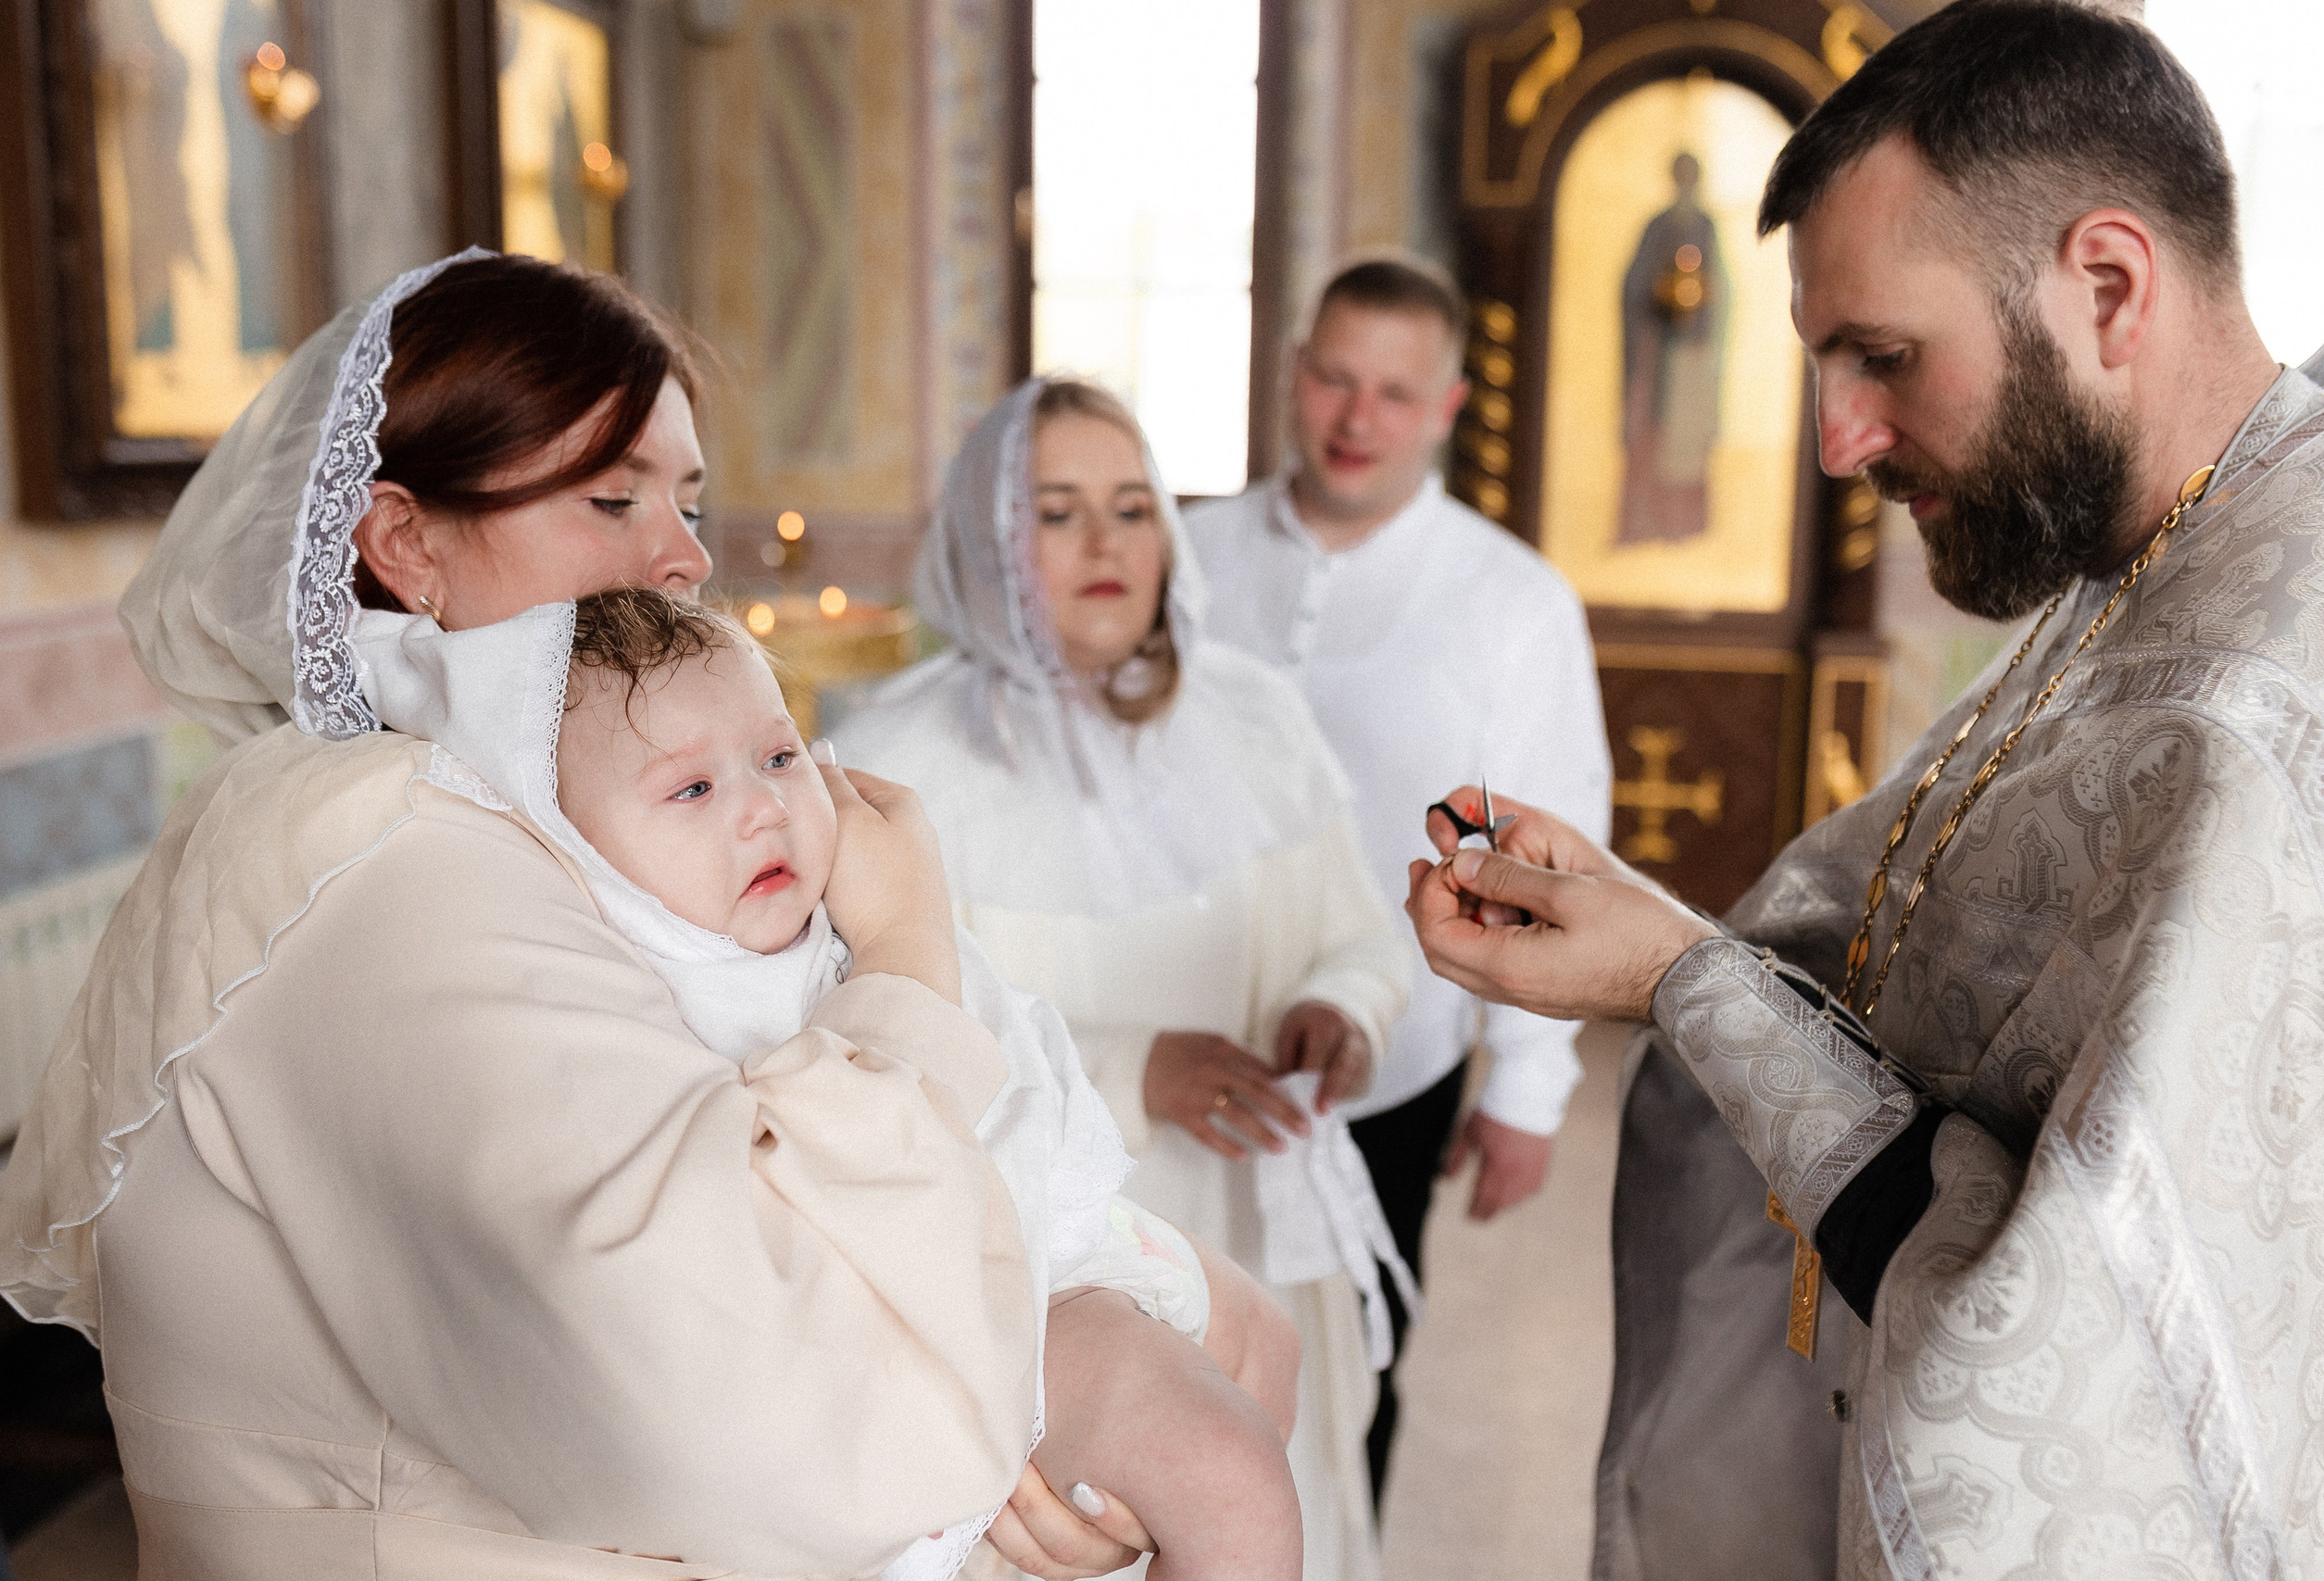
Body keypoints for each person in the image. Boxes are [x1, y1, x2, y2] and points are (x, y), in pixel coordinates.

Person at [0, 252, 1152, 1579]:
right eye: (614, 497)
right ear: (405, 541)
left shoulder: (522, 808)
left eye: (689, 497)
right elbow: (747, 1393)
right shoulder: (381, 856)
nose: (686, 554)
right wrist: (903, 960)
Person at [1407, 3, 2324, 1576]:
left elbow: (2085, 1344)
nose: (1841, 439)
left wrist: (1678, 977)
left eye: (1885, 357)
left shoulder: (2281, 679)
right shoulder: (2144, 568)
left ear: (2109, 286)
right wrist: (1649, 931)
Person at [358, 581, 1302, 1580]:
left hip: (1032, 1255)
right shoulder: (614, 985)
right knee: (1228, 1480)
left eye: (779, 755)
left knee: (1267, 1355)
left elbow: (1011, 1050)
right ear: (570, 840)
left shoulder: (851, 900)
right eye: (692, 790)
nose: (765, 806)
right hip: (907, 1318)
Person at [835, 377, 1413, 1581]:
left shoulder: (1258, 718)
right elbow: (868, 1047)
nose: (1106, 543)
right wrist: (1132, 1069)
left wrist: (1341, 1012)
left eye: (1132, 506)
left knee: (1262, 1506)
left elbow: (1364, 934)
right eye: (1055, 511)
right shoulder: (890, 765)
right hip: (1060, 1271)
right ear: (987, 541)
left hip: (1257, 1219)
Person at [1185, 255, 1613, 1497]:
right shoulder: (1186, 550)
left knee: (1347, 1367)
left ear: (1447, 405)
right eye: (1331, 377)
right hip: (1184, 1033)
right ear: (1293, 375)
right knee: (1171, 1346)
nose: (1354, 417)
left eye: (1391, 389)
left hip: (1395, 1056)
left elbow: (1553, 848)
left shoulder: (1514, 601)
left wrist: (1528, 1087)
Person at [1617, 152, 1728, 546]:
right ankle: (1647, 523)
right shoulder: (1659, 226)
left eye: (1690, 178)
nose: (1685, 185)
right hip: (1656, 351)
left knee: (1685, 442)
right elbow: (1632, 284)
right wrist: (1659, 293)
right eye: (1679, 177)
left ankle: (1682, 527)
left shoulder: (1706, 228)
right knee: (1654, 436)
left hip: (1691, 356)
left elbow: (1722, 294)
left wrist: (1700, 308)